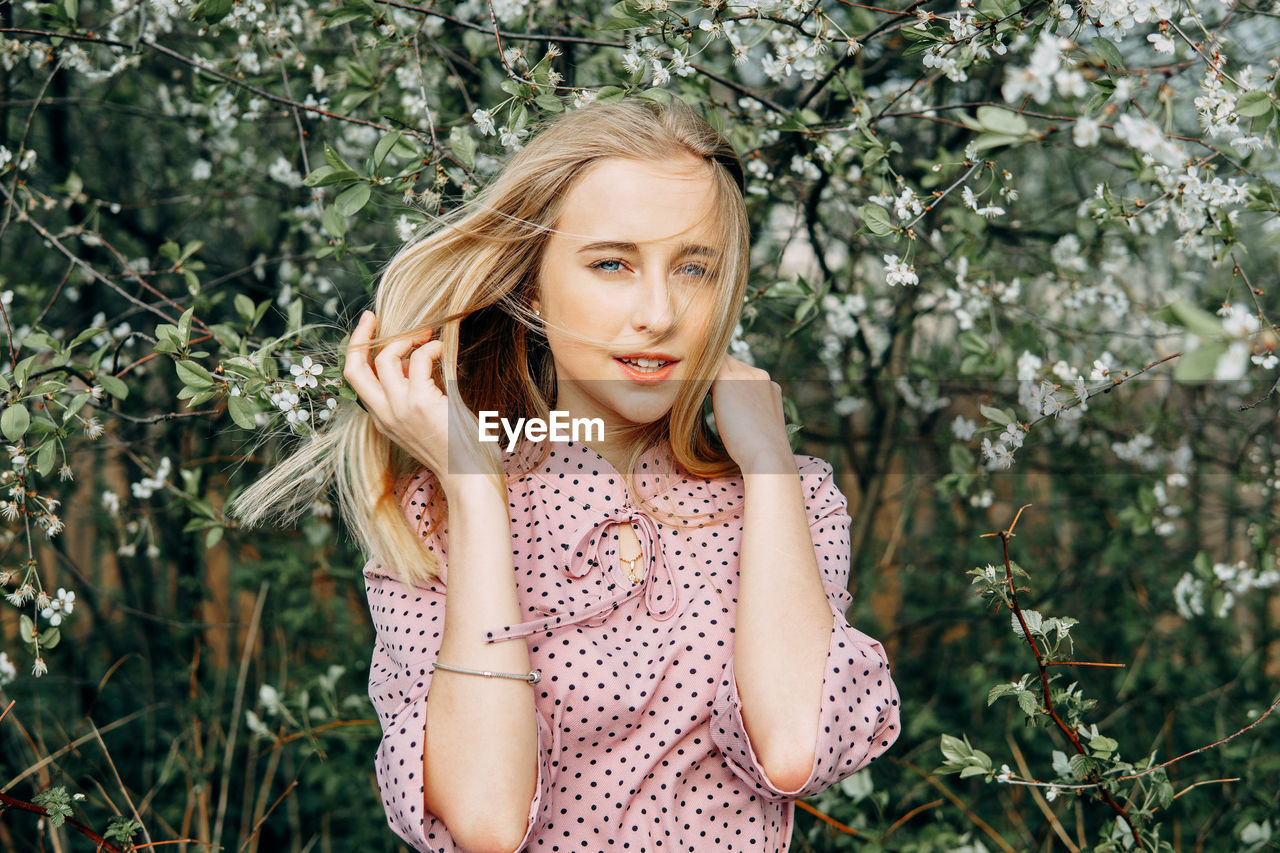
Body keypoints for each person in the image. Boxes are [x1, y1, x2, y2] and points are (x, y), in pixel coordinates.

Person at [245, 97, 900, 853]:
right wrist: (477, 490)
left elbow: (794, 750)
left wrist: (769, 463)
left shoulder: (790, 495)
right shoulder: (437, 514)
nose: (657, 313)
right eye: (612, 264)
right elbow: (486, 821)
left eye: (694, 267)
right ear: (532, 287)